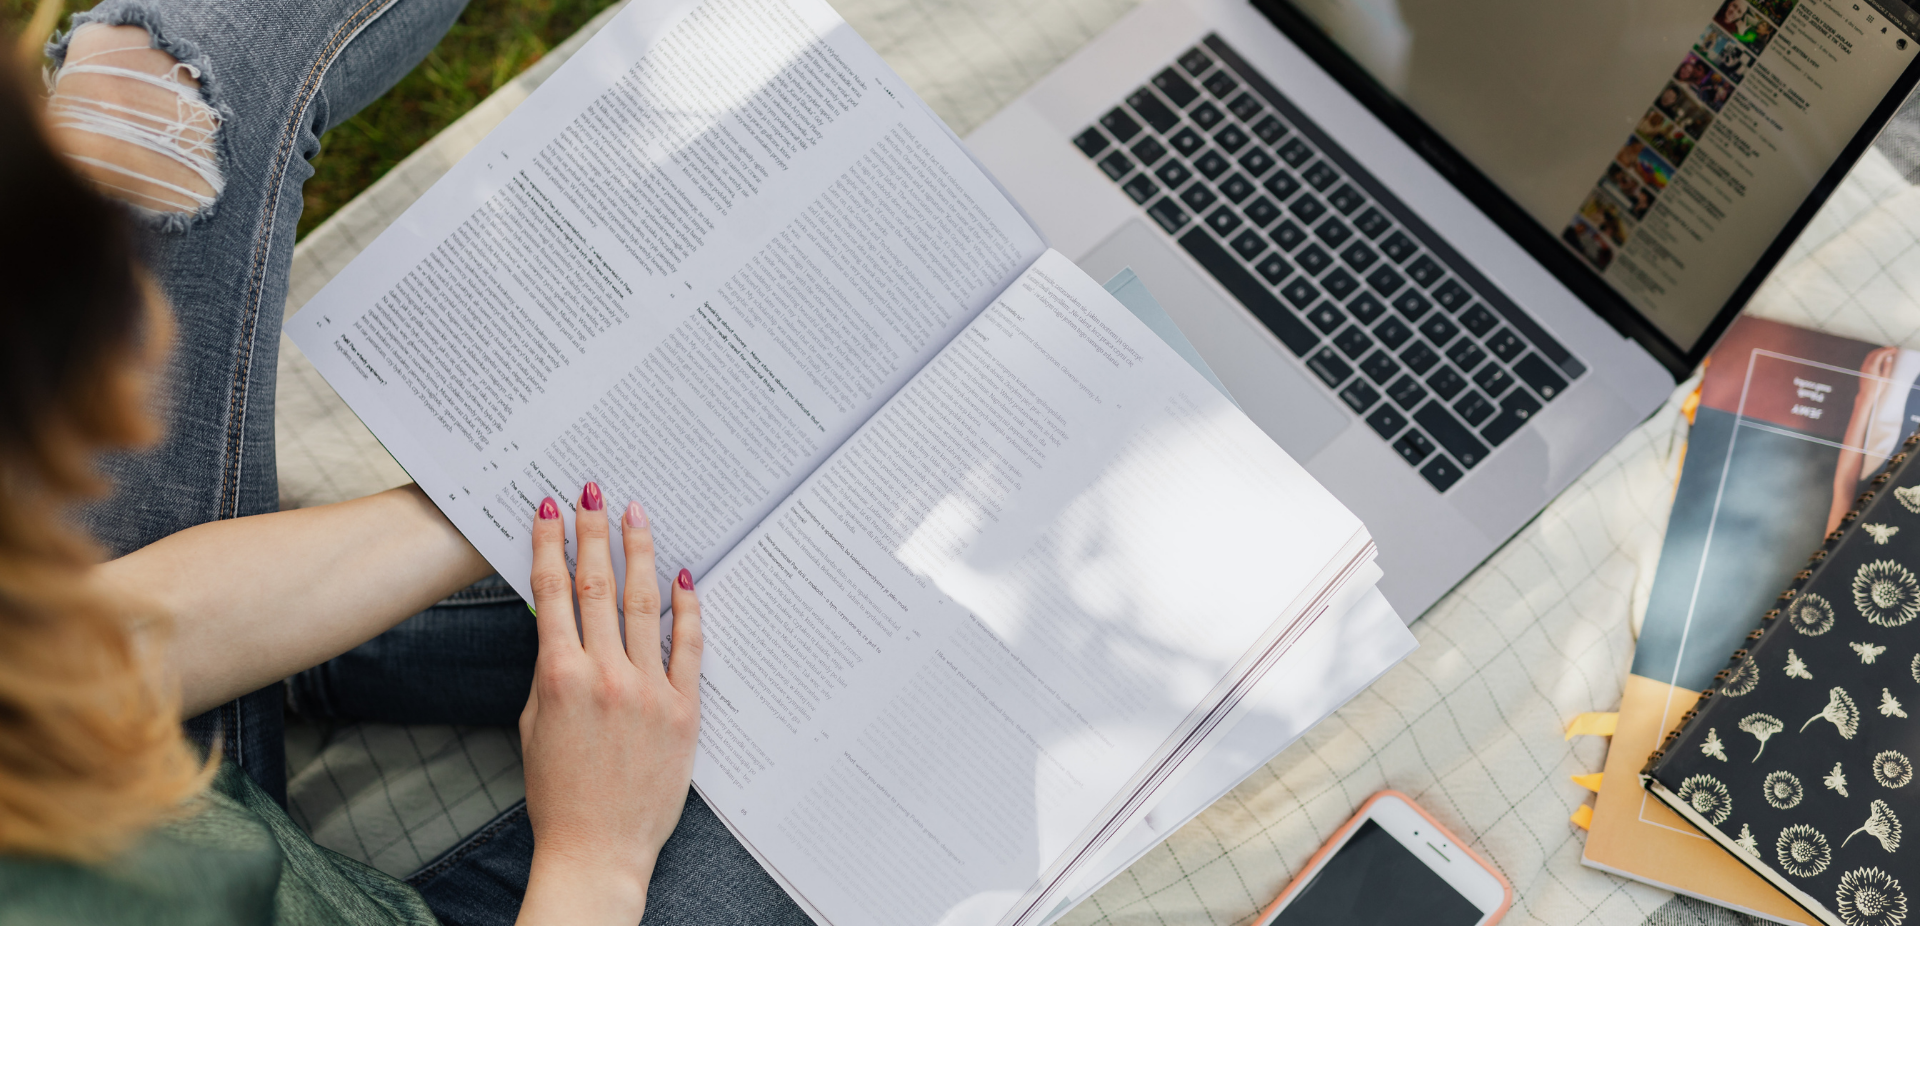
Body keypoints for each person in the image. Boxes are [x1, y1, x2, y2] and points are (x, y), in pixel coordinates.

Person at [0, 1, 807, 924]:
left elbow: (65, 660)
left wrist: (494, 497)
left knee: (141, 95)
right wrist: (598, 859)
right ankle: (359, 657)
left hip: (121, 775)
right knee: (836, 696)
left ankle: (327, 657)